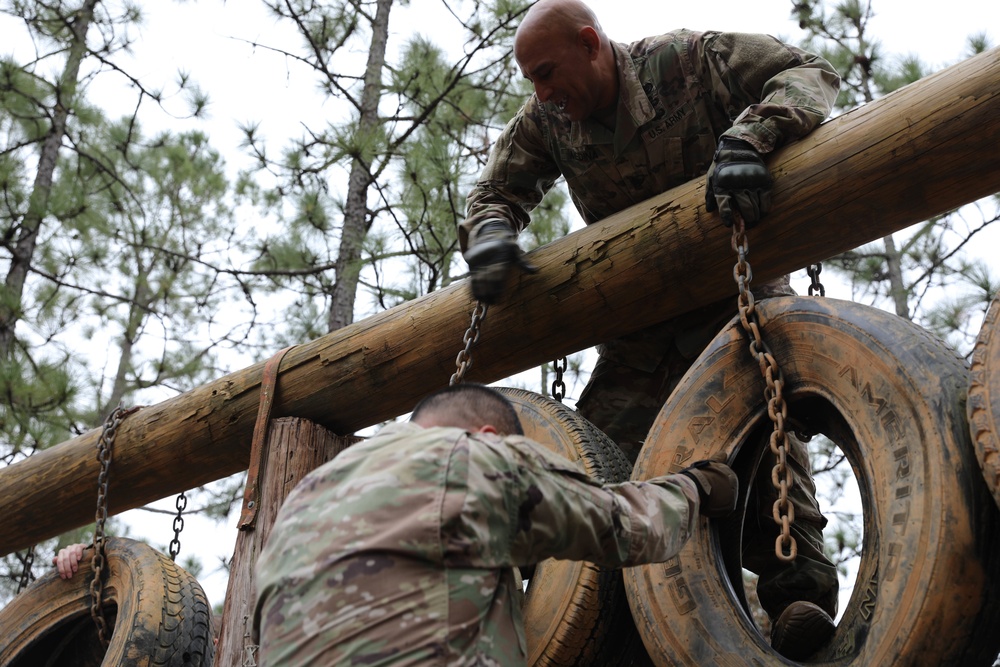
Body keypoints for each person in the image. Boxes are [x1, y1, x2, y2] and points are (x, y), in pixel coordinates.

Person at [459, 0, 842, 659]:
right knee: (594, 467)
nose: (542, 91)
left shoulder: (691, 60)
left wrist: (752, 138)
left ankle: (795, 606)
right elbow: (497, 189)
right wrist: (491, 235)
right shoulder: (546, 116)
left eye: (548, 72)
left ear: (591, 43)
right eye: (531, 81)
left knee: (769, 460)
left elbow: (810, 73)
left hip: (736, 301)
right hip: (641, 333)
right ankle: (604, 623)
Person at [253, 382, 737, 666]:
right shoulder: (469, 458)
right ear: (489, 436)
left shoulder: (301, 500)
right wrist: (695, 487)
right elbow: (629, 526)